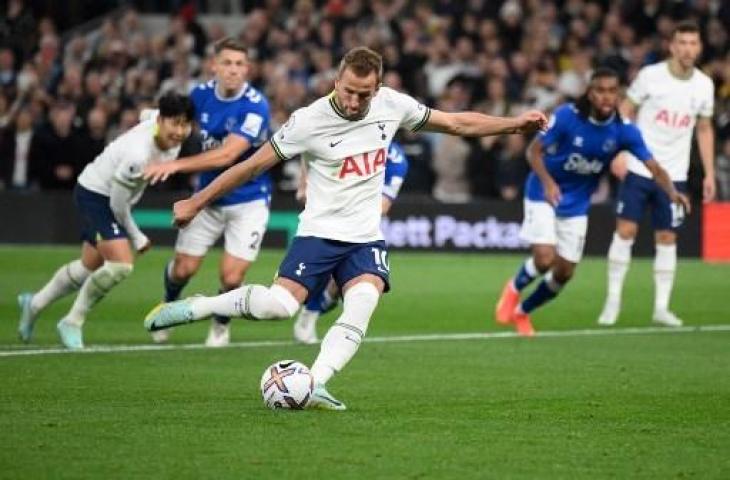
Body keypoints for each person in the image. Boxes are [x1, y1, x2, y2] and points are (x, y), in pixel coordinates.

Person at [144, 46, 547, 410]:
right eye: (349, 91)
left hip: (365, 236)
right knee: (278, 307)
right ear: (337, 81)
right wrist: (195, 203)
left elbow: (456, 123)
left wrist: (514, 125)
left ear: (378, 88)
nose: (355, 101)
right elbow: (251, 165)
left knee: (362, 304)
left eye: (364, 94)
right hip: (319, 231)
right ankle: (199, 306)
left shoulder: (391, 105)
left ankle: (313, 383)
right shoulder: (308, 121)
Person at [495, 67, 690, 337]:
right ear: (590, 92)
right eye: (600, 90)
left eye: (612, 91)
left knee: (564, 273)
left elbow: (654, 167)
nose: (606, 97)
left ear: (619, 94)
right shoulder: (566, 117)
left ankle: (523, 312)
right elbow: (533, 151)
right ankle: (512, 291)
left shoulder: (624, 132)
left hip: (576, 203)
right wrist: (549, 182)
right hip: (543, 191)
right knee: (544, 258)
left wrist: (672, 192)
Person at [17, 93, 194, 349]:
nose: (179, 131)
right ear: (161, 121)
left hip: (110, 196)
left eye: (185, 124)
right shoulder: (138, 155)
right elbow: (117, 206)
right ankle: (72, 321)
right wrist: (137, 235)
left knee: (88, 266)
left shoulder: (161, 127)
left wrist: (147, 115)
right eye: (174, 123)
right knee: (121, 264)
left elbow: (146, 113)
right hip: (96, 194)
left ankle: (33, 304)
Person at [146, 38, 273, 347]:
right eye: (227, 63)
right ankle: (168, 304)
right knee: (182, 270)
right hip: (207, 200)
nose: (233, 70)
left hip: (249, 201)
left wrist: (176, 166)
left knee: (231, 278)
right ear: (213, 66)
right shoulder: (199, 96)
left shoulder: (256, 106)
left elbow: (228, 156)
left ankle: (220, 323)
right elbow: (175, 130)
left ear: (248, 69)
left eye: (239, 64)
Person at [597, 21, 715, 327]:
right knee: (626, 232)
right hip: (640, 166)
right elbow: (625, 110)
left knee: (666, 236)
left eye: (693, 43)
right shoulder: (651, 77)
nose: (688, 48)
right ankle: (612, 301)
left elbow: (704, 128)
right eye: (683, 42)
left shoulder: (704, 85)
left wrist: (709, 173)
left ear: (699, 47)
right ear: (672, 47)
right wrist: (621, 151)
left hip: (673, 174)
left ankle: (661, 308)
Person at [292, 140, 409, 344]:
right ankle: (306, 317)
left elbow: (383, 206)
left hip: (358, 225)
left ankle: (311, 315)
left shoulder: (395, 159)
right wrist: (306, 183)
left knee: (340, 287)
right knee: (311, 280)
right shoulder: (345, 139)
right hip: (323, 220)